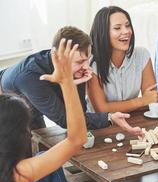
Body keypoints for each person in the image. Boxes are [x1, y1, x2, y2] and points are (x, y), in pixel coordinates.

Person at [0, 26, 141, 135]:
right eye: (80, 61)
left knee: (42, 146)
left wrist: (77, 81)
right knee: (28, 151)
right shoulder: (31, 77)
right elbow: (65, 120)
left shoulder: (76, 69)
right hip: (6, 105)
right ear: (58, 56)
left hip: (31, 106)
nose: (86, 67)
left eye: (87, 60)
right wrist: (108, 117)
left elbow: (78, 113)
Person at [0, 39, 85, 182]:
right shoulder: (17, 176)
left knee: (44, 158)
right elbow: (76, 139)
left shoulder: (15, 175)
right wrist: (67, 81)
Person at [87, 6, 158, 113]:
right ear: (103, 33)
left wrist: (145, 101)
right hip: (101, 126)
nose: (126, 31)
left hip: (131, 120)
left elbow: (153, 100)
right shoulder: (92, 64)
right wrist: (141, 101)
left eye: (128, 25)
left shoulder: (142, 55)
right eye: (117, 28)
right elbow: (102, 109)